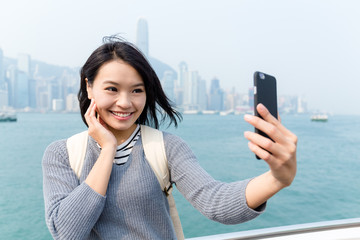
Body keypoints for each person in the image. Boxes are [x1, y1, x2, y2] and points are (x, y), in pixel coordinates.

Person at [42, 36, 297, 240]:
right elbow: (66, 232)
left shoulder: (166, 146)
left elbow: (214, 201)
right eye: (112, 89)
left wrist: (278, 178)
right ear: (89, 87)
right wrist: (108, 149)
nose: (125, 102)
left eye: (137, 91)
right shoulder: (62, 153)